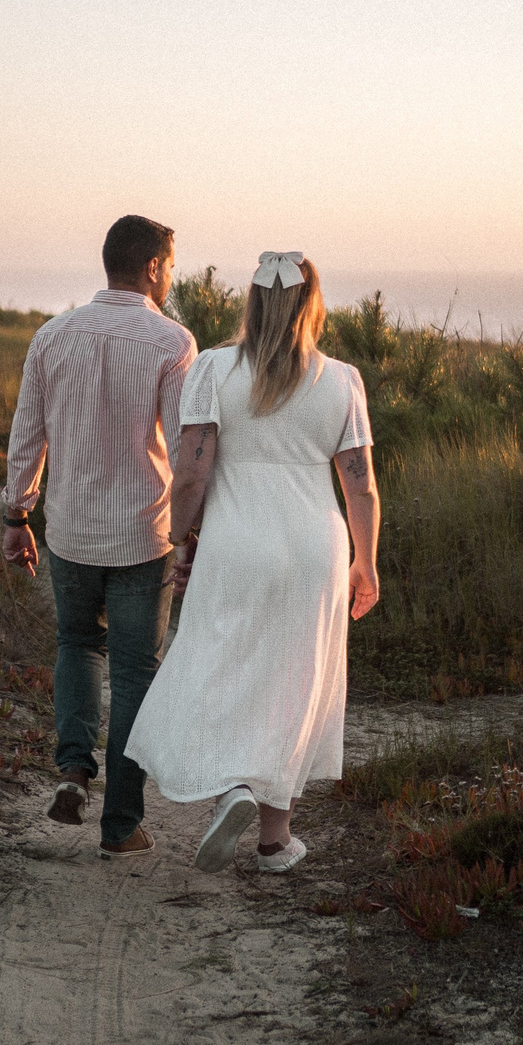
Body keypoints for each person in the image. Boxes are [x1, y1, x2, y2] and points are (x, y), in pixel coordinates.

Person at [123, 251, 381, 875]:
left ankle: (231, 789)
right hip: (316, 548)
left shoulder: (213, 368)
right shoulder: (342, 380)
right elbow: (362, 486)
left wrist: (176, 541)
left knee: (220, 665)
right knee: (297, 682)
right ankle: (274, 842)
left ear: (253, 302)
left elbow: (191, 472)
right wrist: (367, 563)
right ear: (312, 305)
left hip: (238, 543)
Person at [1, 214, 197, 856]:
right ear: (151, 268)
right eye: (170, 265)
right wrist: (194, 532)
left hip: (73, 532)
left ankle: (74, 773)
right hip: (146, 534)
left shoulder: (52, 337)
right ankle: (122, 826)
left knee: (77, 644)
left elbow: (28, 433)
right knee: (137, 673)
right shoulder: (173, 343)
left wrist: (17, 515)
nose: (171, 276)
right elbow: (189, 446)